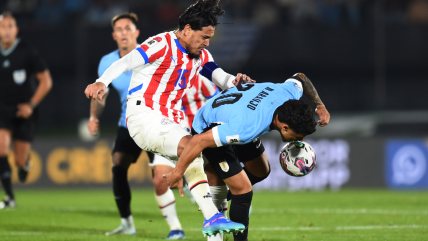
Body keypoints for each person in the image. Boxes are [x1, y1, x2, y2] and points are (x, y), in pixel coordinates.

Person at [84, 0, 253, 237]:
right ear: (186, 30)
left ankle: (212, 220)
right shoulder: (160, 44)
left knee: (194, 154)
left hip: (172, 121)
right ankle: (208, 217)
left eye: (209, 38)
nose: (207, 43)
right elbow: (125, 62)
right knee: (191, 146)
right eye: (204, 37)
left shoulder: (201, 54)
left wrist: (237, 82)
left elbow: (219, 76)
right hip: (143, 117)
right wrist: (102, 81)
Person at [164, 73, 330, 241]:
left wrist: (320, 105)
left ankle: (226, 195)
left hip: (236, 116)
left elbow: (300, 77)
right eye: (299, 136)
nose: (300, 141)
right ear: (285, 127)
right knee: (243, 190)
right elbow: (198, 141)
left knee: (261, 170)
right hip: (208, 125)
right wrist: (178, 173)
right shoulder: (247, 127)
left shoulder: (288, 93)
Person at [87, 13, 186, 239]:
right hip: (128, 123)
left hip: (156, 120)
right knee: (118, 165)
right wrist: (94, 117)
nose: (124, 33)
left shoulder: (153, 53)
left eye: (128, 28)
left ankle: (177, 223)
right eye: (119, 29)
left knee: (163, 177)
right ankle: (127, 223)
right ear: (114, 35)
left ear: (136, 32)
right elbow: (100, 94)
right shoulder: (107, 62)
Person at [0, 12, 53, 209]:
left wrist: (31, 105)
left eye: (10, 26)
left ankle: (25, 165)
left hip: (25, 111)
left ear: (16, 30)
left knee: (19, 160)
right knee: (1, 148)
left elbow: (46, 81)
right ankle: (9, 197)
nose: (6, 30)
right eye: (3, 26)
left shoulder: (27, 51)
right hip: (2, 110)